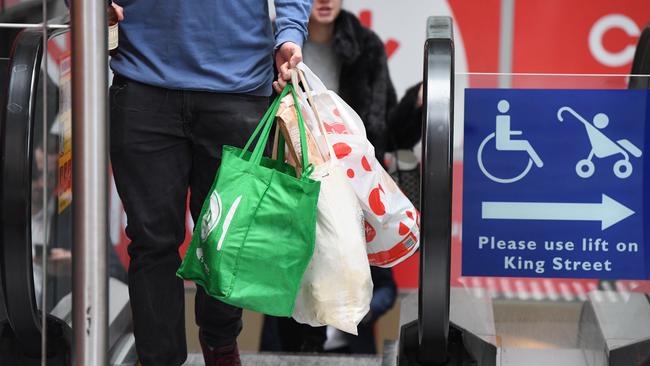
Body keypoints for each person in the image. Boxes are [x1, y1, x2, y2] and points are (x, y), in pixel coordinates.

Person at [106, 1, 311, 365]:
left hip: (239, 88)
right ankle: (159, 360)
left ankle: (219, 343)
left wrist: (291, 33)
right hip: (142, 80)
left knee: (227, 238)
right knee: (152, 240)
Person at [268, 0, 398, 353]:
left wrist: (419, 107)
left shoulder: (365, 44)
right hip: (292, 178)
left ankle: (340, 330)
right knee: (292, 278)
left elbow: (385, 121)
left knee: (354, 274)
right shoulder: (275, 45)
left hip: (347, 180)